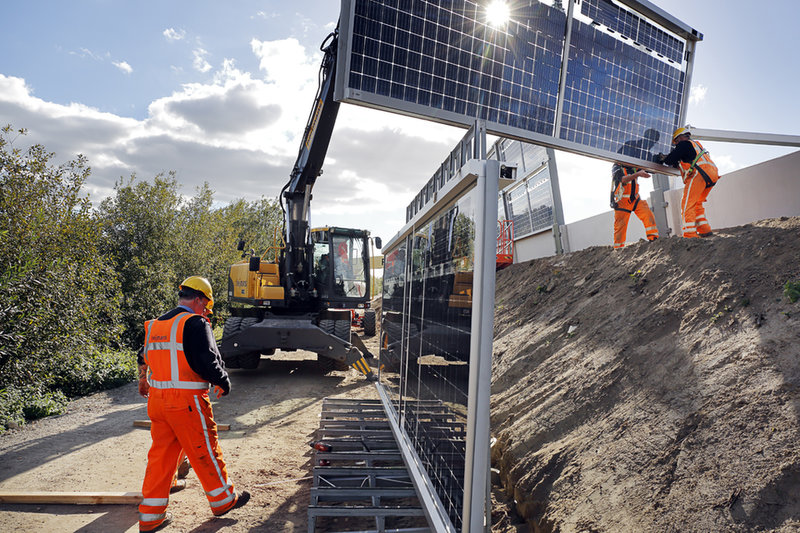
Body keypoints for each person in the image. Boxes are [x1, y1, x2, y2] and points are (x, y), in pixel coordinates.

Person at [137, 276, 249, 532]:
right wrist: (223, 381)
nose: (206, 311)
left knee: (161, 458)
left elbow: (142, 357)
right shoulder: (195, 323)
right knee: (204, 449)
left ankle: (150, 517)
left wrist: (143, 380)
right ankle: (223, 500)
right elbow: (206, 359)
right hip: (186, 402)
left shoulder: (155, 325)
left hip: (158, 402)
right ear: (198, 299)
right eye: (206, 306)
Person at [656, 126, 720, 238]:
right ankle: (704, 229)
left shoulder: (683, 144)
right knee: (697, 203)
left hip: (699, 175)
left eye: (675, 141)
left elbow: (671, 159)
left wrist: (662, 158)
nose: (675, 144)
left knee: (687, 204)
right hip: (712, 174)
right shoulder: (696, 145)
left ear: (680, 137)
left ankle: (689, 233)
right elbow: (681, 160)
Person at [610, 129, 660, 249]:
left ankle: (654, 241)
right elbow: (622, 180)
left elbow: (649, 165)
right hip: (622, 201)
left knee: (648, 216)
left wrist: (660, 159)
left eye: (653, 142)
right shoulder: (617, 167)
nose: (651, 145)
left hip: (635, 199)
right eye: (651, 141)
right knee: (620, 229)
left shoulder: (643, 157)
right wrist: (638, 174)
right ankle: (618, 249)